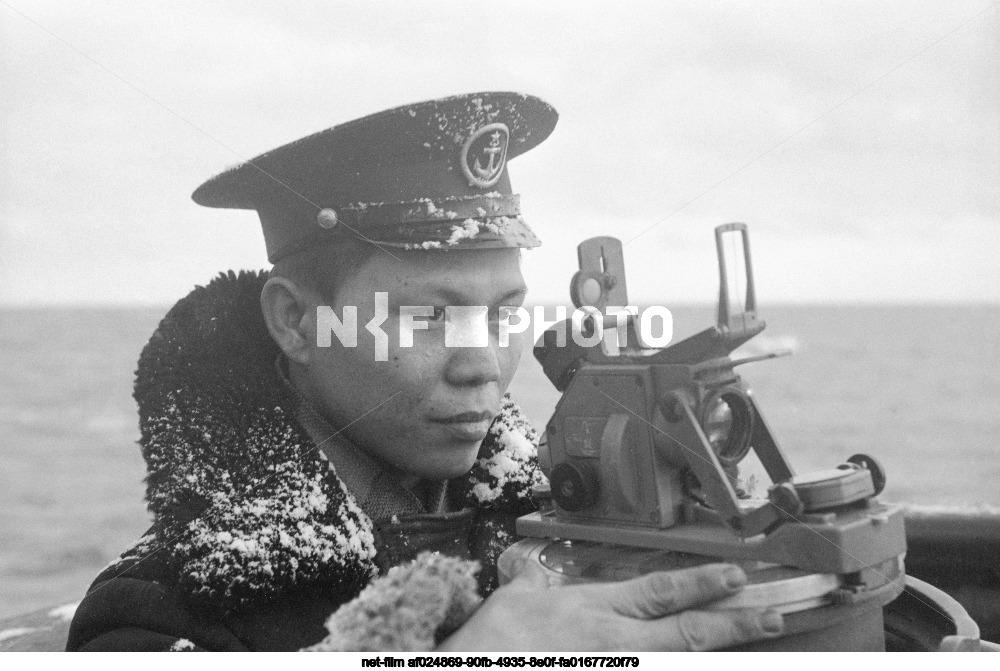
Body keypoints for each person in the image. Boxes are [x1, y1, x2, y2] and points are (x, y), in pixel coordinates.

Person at [66, 92, 785, 651]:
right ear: (295, 320)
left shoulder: (561, 533)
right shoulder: (155, 617)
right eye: (427, 317)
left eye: (504, 314)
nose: (483, 366)